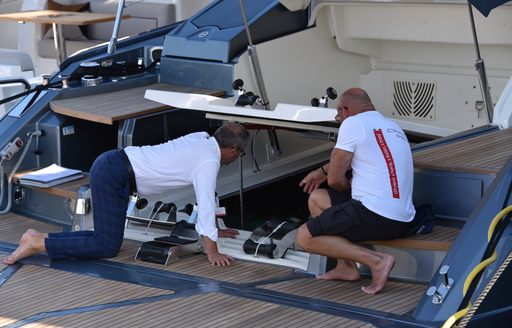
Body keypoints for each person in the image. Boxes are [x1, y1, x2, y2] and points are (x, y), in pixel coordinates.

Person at [3, 123, 249, 267]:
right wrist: (212, 251)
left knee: (104, 238)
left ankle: (36, 237)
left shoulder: (202, 140)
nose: (237, 158)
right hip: (115, 174)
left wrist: (216, 229)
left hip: (114, 165)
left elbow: (208, 193)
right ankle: (38, 243)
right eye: (240, 154)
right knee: (107, 245)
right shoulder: (208, 160)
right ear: (233, 150)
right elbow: (205, 203)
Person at [297, 88, 415, 294]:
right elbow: (361, 156)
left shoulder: (353, 123)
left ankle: (377, 261)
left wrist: (347, 188)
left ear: (344, 109)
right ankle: (346, 267)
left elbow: (335, 181)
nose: (339, 119)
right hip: (401, 218)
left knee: (305, 237)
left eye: (338, 115)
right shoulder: (391, 125)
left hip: (375, 214)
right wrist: (322, 171)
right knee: (317, 199)